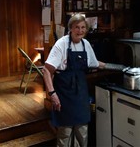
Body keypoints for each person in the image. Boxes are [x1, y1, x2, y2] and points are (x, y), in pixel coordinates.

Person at [42, 13, 105, 147]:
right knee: (65, 132)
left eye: (83, 28)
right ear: (71, 28)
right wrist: (52, 94)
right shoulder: (61, 44)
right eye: (77, 27)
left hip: (80, 93)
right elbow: (46, 70)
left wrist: (116, 66)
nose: (80, 31)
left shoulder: (85, 44)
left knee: (82, 131)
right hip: (64, 92)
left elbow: (94, 63)